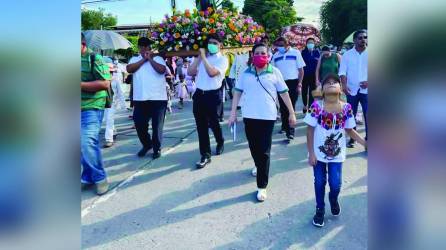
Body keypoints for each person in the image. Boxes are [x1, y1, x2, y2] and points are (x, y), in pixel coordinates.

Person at [228, 43, 297, 202]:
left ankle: (262, 186)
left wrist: (292, 113)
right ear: (252, 55)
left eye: (263, 53)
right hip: (249, 115)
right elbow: (237, 92)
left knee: (264, 151)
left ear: (268, 55)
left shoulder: (275, 72)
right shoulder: (246, 73)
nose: (260, 56)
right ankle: (258, 165)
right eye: (257, 53)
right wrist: (233, 113)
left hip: (268, 116)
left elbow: (284, 94)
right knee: (253, 147)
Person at [304, 73, 366, 227]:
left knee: (335, 184)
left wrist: (365, 143)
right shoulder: (316, 107)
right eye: (327, 82)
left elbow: (350, 130)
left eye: (335, 82)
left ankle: (333, 199)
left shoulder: (347, 108)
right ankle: (320, 209)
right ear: (322, 89)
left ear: (340, 89)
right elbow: (309, 130)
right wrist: (311, 153)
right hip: (318, 154)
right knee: (319, 182)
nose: (331, 83)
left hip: (337, 155)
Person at [187, 34, 229, 168]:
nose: (211, 45)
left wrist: (204, 58)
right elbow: (190, 72)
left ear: (220, 45)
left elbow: (211, 73)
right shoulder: (202, 58)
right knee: (201, 126)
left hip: (213, 95)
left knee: (214, 122)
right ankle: (205, 155)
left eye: (215, 43)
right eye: (209, 42)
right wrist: (199, 57)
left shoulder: (223, 59)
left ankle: (220, 141)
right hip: (199, 94)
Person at [126, 37, 167, 159]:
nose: (144, 49)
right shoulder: (134, 59)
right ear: (138, 48)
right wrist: (144, 59)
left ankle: (156, 148)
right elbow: (129, 69)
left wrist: (150, 59)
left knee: (157, 126)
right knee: (139, 124)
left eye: (146, 46)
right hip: (140, 99)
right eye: (141, 46)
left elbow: (162, 70)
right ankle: (147, 144)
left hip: (158, 98)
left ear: (150, 47)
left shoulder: (158, 58)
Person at [81, 33, 111, 195]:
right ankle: (87, 176)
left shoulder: (95, 58)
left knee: (86, 142)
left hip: (91, 106)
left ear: (83, 43)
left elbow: (105, 83)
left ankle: (100, 177)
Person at [271, 37, 306, 142]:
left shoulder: (295, 53)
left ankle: (290, 132)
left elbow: (301, 70)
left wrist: (299, 84)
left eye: (282, 45)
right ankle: (285, 127)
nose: (280, 47)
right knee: (282, 107)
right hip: (280, 83)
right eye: (278, 45)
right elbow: (271, 70)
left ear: (287, 44)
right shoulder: (275, 56)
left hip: (293, 82)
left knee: (291, 107)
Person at [339, 29, 368, 148]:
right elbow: (342, 72)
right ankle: (353, 138)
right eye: (360, 38)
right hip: (351, 90)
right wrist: (344, 85)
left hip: (367, 91)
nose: (363, 40)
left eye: (365, 37)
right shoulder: (347, 55)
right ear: (355, 40)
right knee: (351, 115)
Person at [103, 62, 127, 148]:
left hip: (112, 103)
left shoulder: (116, 80)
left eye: (110, 71)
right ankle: (114, 131)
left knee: (109, 119)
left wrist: (123, 105)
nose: (109, 72)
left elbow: (120, 93)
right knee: (107, 120)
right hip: (103, 102)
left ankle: (109, 139)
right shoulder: (101, 79)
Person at [301, 38, 320, 114]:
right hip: (304, 75)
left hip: (313, 75)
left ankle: (311, 106)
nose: (310, 44)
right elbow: (301, 63)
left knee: (312, 91)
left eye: (312, 42)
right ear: (306, 44)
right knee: (304, 91)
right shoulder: (303, 52)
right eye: (309, 42)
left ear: (314, 44)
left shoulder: (316, 52)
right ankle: (305, 105)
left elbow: (319, 62)